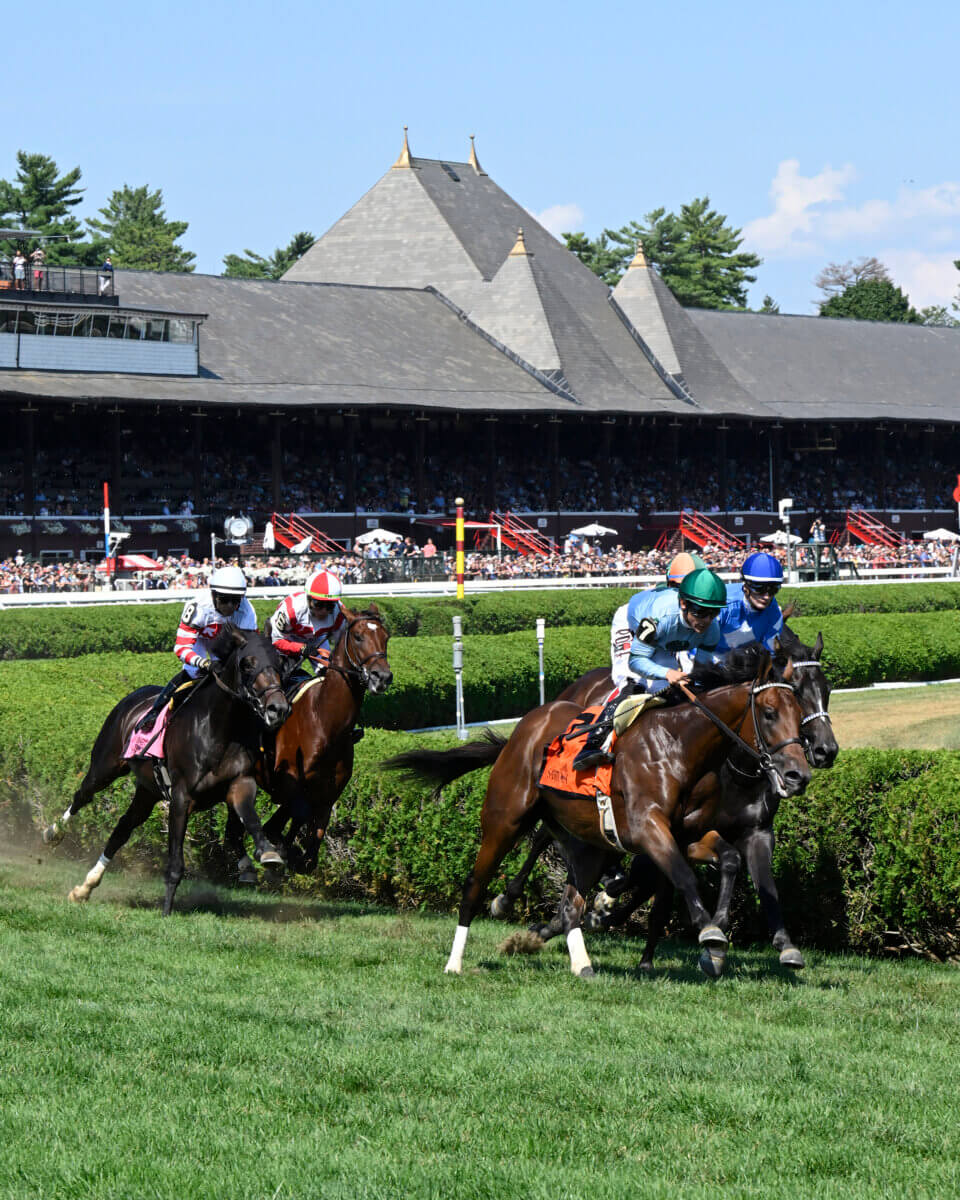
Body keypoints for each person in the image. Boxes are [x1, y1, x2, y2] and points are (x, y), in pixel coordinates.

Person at [573, 568, 727, 769]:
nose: (706, 620)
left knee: (673, 692)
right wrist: (667, 672)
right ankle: (592, 744)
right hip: (632, 626)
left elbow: (700, 669)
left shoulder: (711, 630)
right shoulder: (659, 619)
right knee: (632, 684)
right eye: (700, 611)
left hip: (665, 637)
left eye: (713, 613)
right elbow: (636, 662)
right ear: (683, 603)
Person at [134, 565, 257, 732]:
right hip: (199, 638)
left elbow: (248, 649)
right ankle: (156, 710)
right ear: (213, 595)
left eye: (235, 600)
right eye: (224, 599)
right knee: (192, 671)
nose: (229, 606)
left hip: (224, 642)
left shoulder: (247, 611)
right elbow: (181, 648)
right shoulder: (197, 606)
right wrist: (204, 664)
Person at [608, 550, 707, 691]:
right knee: (632, 682)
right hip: (634, 622)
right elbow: (635, 660)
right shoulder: (661, 606)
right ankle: (625, 691)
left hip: (663, 630)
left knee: (669, 682)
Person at [267, 568, 346, 684]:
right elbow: (277, 641)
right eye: (318, 604)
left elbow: (342, 645)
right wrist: (300, 648)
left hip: (317, 638)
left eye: (329, 605)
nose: (324, 611)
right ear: (308, 598)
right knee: (283, 672)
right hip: (289, 637)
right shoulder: (291, 610)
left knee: (331, 672)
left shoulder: (339, 612)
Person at [707, 550, 785, 658]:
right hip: (708, 654)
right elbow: (698, 644)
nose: (766, 596)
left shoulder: (774, 612)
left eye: (773, 589)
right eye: (759, 588)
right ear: (745, 586)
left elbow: (770, 653)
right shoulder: (722, 605)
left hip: (743, 661)